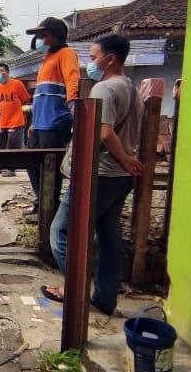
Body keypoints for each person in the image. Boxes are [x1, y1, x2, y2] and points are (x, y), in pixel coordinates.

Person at [40, 34, 143, 316]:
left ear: (110, 58)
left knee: (61, 232)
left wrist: (123, 158)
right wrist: (126, 162)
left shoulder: (104, 89)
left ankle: (74, 289)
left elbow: (105, 132)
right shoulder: (133, 91)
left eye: (94, 57)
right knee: (109, 237)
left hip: (98, 174)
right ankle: (105, 299)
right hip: (119, 178)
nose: (90, 63)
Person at [24, 17, 78, 222]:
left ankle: (49, 209)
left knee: (50, 168)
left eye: (43, 35)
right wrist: (32, 124)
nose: (40, 40)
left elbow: (72, 79)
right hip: (40, 123)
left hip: (55, 121)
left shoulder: (66, 54)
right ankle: (41, 203)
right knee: (32, 163)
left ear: (56, 36)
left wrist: (73, 105)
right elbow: (40, 96)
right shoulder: (46, 60)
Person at [0, 63, 31, 176]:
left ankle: (11, 169)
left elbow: (26, 99)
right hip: (2, 121)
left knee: (13, 146)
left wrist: (23, 113)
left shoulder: (17, 84)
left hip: (16, 121)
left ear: (7, 72)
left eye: (1, 71)